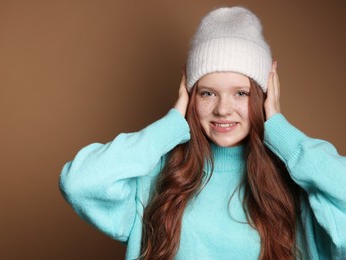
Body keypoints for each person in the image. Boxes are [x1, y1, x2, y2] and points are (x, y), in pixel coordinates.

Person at [59, 6, 346, 260]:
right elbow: (80, 183)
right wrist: (171, 124)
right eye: (208, 93)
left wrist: (283, 133)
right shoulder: (158, 176)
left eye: (241, 93)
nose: (223, 109)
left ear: (264, 96)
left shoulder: (296, 184)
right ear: (190, 94)